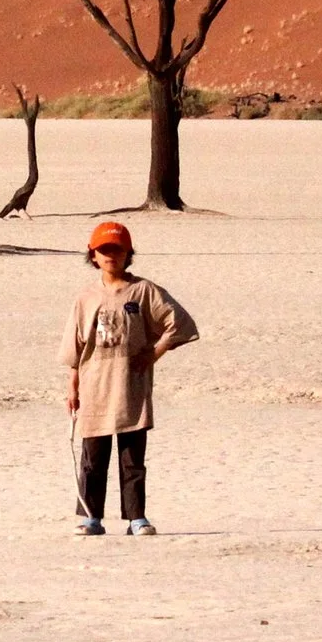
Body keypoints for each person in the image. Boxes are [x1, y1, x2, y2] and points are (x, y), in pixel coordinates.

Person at [62, 220, 197, 536]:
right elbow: (75, 346)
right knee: (93, 458)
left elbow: (180, 323)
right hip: (95, 387)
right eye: (104, 250)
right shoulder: (85, 297)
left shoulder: (144, 291)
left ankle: (137, 518)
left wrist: (155, 352)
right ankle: (91, 518)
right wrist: (73, 386)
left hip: (131, 387)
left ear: (128, 253)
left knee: (132, 458)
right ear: (93, 255)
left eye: (118, 250)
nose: (111, 256)